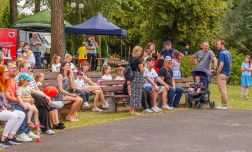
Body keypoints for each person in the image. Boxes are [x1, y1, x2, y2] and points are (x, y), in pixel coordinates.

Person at [14, 61, 56, 135]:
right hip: (26, 95)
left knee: (43, 103)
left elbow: (36, 89)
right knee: (41, 99)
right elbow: (26, 90)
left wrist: (45, 96)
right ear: (21, 68)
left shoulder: (30, 77)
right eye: (28, 68)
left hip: (34, 95)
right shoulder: (19, 77)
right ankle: (46, 127)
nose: (30, 69)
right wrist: (44, 96)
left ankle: (46, 128)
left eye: (31, 68)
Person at [0, 65, 25, 147]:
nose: (8, 73)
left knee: (21, 114)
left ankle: (11, 137)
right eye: (6, 72)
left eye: (7, 71)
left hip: (4, 109)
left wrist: (9, 108)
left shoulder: (4, 84)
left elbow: (5, 102)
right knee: (14, 116)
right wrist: (3, 107)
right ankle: (3, 139)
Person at [128, 46, 145, 115]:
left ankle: (131, 110)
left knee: (133, 93)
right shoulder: (139, 60)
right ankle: (133, 111)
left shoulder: (131, 59)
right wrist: (144, 66)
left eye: (141, 51)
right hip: (138, 76)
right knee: (137, 94)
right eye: (139, 51)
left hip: (132, 76)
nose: (140, 53)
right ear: (135, 51)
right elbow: (142, 70)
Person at [216, 40, 232, 110]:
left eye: (218, 45)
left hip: (222, 74)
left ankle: (224, 105)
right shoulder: (228, 52)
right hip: (226, 74)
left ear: (222, 45)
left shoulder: (222, 53)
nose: (217, 46)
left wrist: (217, 73)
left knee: (222, 90)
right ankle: (224, 104)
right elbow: (230, 64)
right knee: (224, 89)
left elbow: (221, 65)